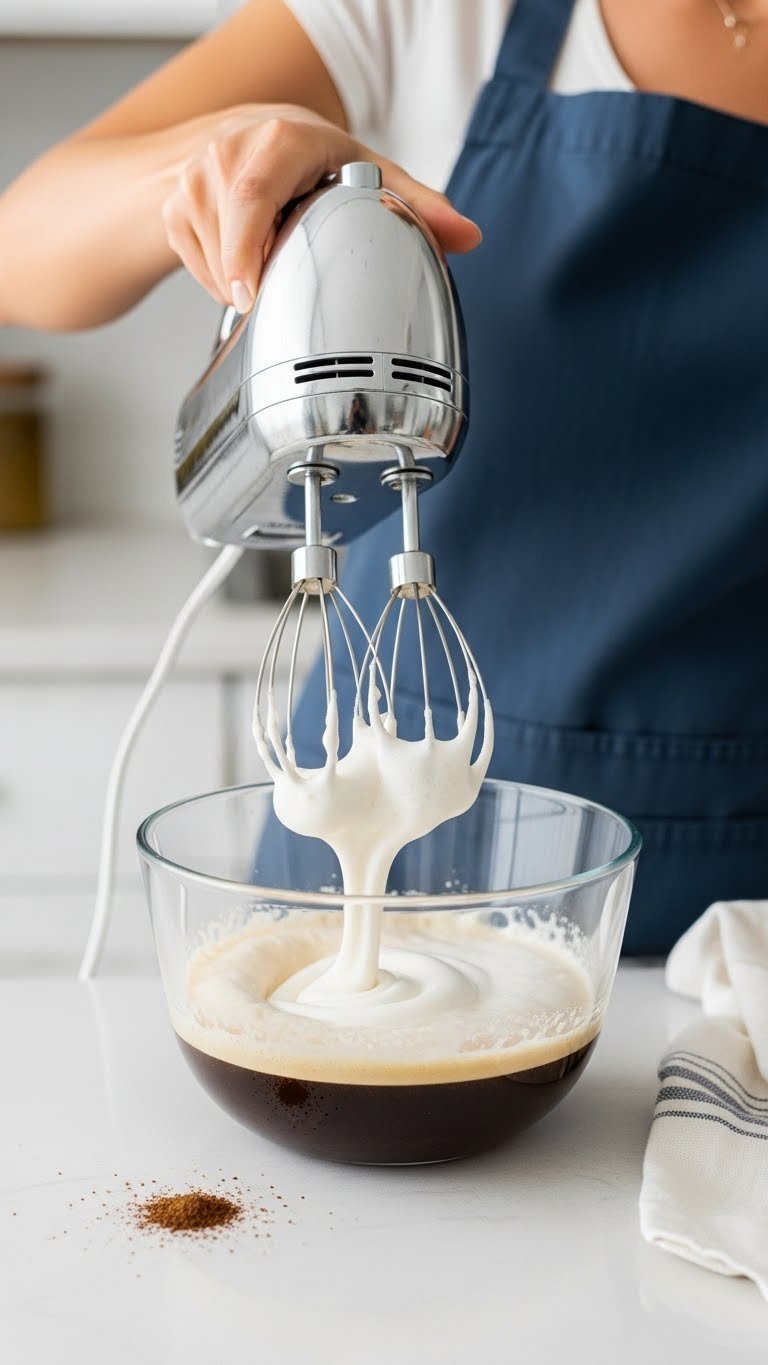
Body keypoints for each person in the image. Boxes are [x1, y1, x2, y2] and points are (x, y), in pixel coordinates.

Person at [2, 0, 767, 953]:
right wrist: (218, 157)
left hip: (747, 935)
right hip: (368, 856)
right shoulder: (436, 14)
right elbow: (20, 241)